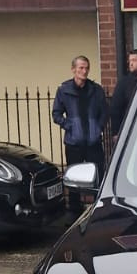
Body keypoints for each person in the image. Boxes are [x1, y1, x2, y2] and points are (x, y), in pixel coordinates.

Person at [52, 55, 108, 209]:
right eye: (81, 68)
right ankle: (74, 209)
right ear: (73, 70)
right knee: (74, 177)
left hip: (93, 141)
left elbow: (104, 111)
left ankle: (98, 206)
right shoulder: (64, 90)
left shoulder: (96, 90)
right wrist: (69, 125)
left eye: (87, 68)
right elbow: (56, 114)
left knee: (98, 175)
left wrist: (99, 127)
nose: (84, 71)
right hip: (74, 142)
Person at [109, 48, 137, 137]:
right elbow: (116, 109)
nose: (130, 63)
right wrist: (116, 132)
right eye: (130, 61)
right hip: (130, 129)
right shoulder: (124, 83)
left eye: (134, 60)